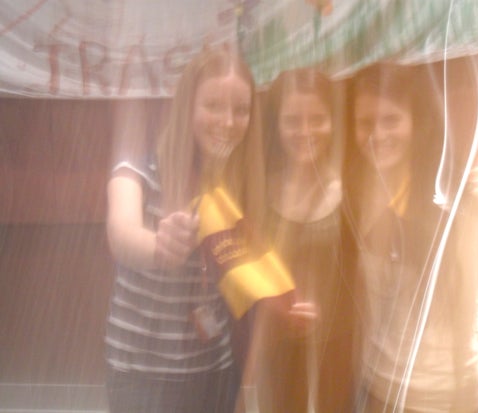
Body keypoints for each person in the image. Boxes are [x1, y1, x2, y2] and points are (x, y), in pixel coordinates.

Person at [104, 44, 267, 413]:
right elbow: (121, 235)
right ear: (187, 107)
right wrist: (159, 246)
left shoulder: (240, 191)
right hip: (140, 374)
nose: (228, 121)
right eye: (213, 105)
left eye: (241, 110)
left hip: (213, 368)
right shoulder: (136, 173)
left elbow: (251, 288)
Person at [344, 64, 478, 413]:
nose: (377, 134)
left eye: (391, 120)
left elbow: (465, 312)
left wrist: (467, 396)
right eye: (366, 123)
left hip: (439, 394)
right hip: (376, 386)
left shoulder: (451, 201)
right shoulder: (354, 195)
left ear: (415, 122)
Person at [252, 67, 354, 413]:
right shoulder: (259, 192)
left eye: (317, 119)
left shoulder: (350, 191)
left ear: (333, 122)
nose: (306, 131)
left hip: (338, 349)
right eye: (293, 121)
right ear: (277, 124)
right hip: (276, 350)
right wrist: (277, 310)